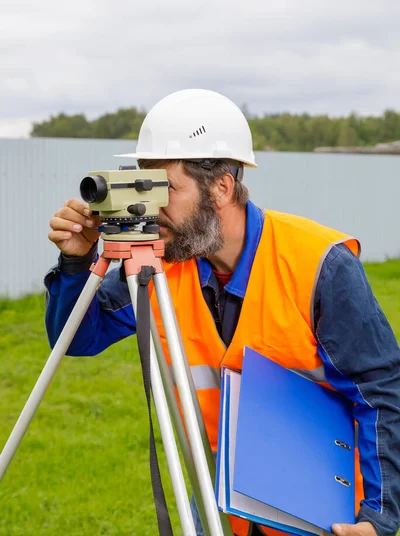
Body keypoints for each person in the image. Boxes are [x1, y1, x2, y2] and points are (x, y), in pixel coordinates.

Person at [45, 89, 400, 536]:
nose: (151, 207)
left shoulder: (319, 264)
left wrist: (379, 520)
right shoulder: (160, 266)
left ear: (222, 188)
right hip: (217, 512)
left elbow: (382, 393)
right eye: (143, 184)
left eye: (165, 189)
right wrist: (77, 263)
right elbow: (76, 340)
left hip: (319, 515)